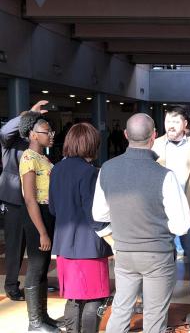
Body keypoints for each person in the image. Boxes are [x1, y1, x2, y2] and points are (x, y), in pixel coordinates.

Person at [92, 113, 190, 333]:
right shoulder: (165, 175)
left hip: (124, 252)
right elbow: (181, 226)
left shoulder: (107, 168)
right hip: (157, 255)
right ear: (154, 136)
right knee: (154, 316)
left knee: (120, 310)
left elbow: (99, 214)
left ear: (125, 135)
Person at [49, 123, 113, 333]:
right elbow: (95, 213)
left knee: (74, 298)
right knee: (95, 297)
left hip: (64, 244)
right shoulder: (90, 172)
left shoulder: (56, 169)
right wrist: (112, 239)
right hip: (89, 246)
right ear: (91, 144)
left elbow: (53, 208)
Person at [152, 106, 190, 305]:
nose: (170, 126)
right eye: (168, 121)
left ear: (185, 124)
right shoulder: (155, 144)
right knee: (162, 255)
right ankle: (160, 292)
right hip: (162, 210)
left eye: (175, 121)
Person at [0, 100, 48, 302]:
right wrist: (28, 113)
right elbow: (4, 131)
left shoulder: (35, 143)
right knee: (15, 245)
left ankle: (37, 283)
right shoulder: (10, 142)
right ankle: (12, 286)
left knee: (38, 243)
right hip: (16, 200)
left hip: (36, 200)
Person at [18, 111, 61, 332]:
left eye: (51, 131)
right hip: (37, 216)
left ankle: (43, 317)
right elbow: (29, 198)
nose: (51, 135)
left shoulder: (43, 157)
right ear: (33, 135)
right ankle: (34, 323)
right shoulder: (28, 158)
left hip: (47, 214)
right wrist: (42, 232)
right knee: (36, 267)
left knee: (43, 267)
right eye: (46, 131)